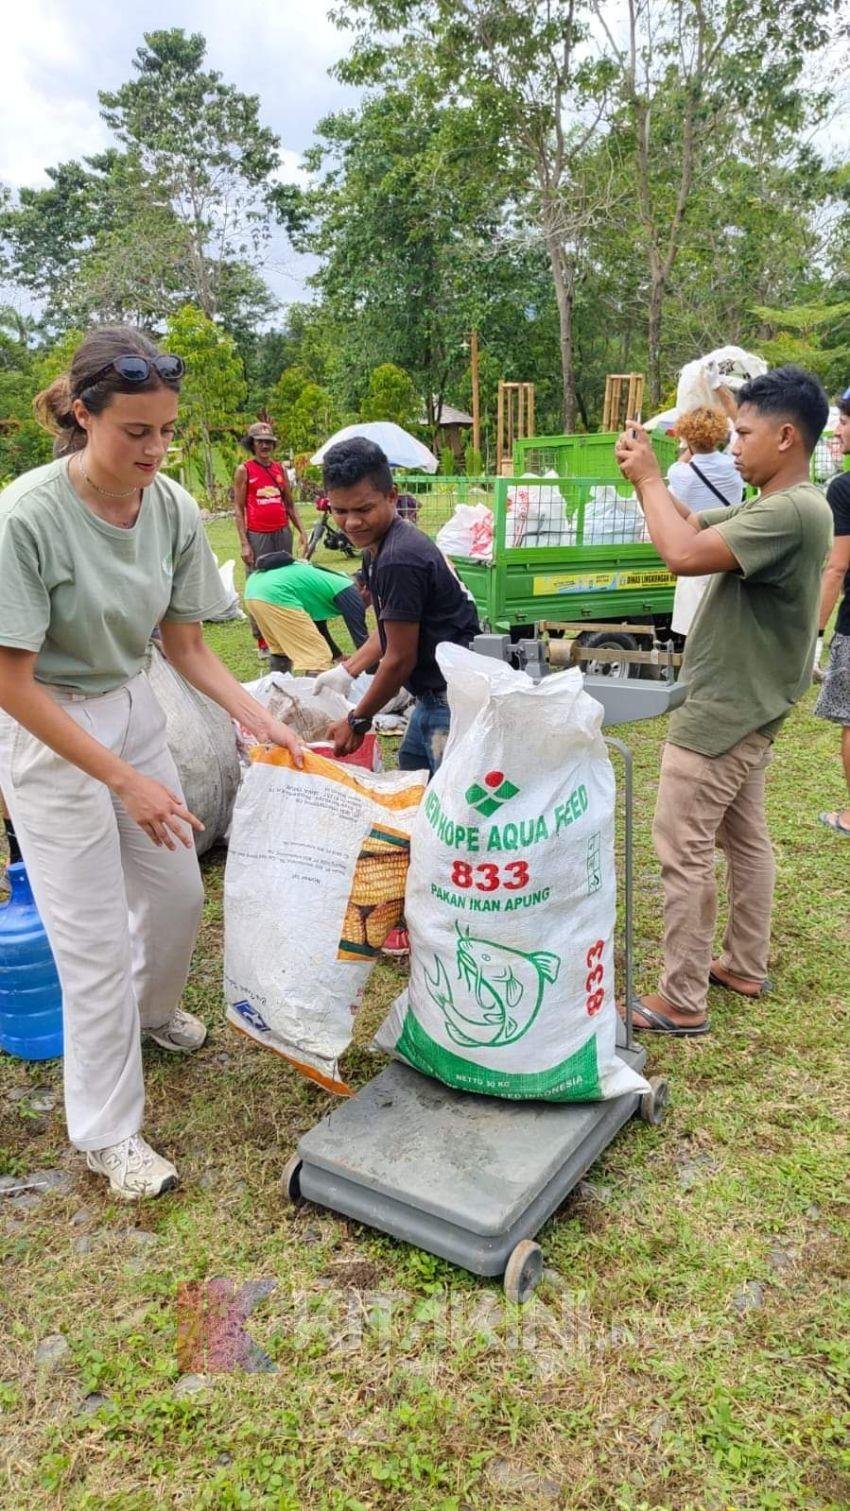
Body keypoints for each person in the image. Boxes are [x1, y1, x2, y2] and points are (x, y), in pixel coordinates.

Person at [0, 327, 302, 1200]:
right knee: (90, 941)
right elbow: (12, 685)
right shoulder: (27, 517)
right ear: (84, 415)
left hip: (134, 706)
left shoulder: (165, 504)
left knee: (177, 891)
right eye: (136, 431)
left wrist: (258, 717)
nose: (156, 448)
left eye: (166, 429)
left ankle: (153, 1013)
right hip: (48, 728)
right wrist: (122, 781)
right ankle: (106, 1133)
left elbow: (186, 647)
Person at [615, 365, 833, 1035]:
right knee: (744, 838)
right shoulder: (785, 503)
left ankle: (681, 997)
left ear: (786, 437)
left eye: (743, 433)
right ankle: (743, 961)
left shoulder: (791, 511)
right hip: (752, 701)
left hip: (726, 707)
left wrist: (651, 478)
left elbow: (679, 554)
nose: (732, 445)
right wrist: (653, 475)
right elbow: (690, 523)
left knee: (682, 846)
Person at [318, 439, 480, 953]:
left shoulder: (400, 559)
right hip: (435, 697)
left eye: (363, 508)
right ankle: (417, 910)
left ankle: (450, 916)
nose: (352, 521)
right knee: (411, 799)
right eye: (340, 511)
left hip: (444, 701)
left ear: (392, 495)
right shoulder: (383, 547)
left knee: (436, 811)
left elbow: (400, 659)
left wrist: (358, 719)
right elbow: (386, 637)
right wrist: (345, 672)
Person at [666, 407, 743, 636]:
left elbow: (682, 466)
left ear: (686, 436)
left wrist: (688, 448)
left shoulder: (680, 473)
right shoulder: (735, 467)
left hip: (697, 552)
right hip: (730, 548)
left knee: (695, 632)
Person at [814, 387, 850, 836]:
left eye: (844, 420)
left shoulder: (844, 488)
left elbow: (837, 565)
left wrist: (812, 633)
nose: (839, 429)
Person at [243, 551, 370, 674]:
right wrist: (373, 674)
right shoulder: (348, 589)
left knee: (281, 650)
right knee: (318, 655)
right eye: (373, 600)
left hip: (254, 589)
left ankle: (277, 690)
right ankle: (311, 695)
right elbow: (361, 639)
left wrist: (338, 656)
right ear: (365, 587)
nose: (370, 605)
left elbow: (319, 627)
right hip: (274, 593)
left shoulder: (328, 581)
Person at [233, 422, 307, 570]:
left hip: (283, 532)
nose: (265, 446)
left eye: (268, 442)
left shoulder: (280, 469)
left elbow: (290, 505)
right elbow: (239, 509)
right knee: (260, 576)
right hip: (258, 535)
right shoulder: (244, 470)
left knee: (285, 573)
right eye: (259, 441)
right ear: (252, 444)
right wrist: (245, 544)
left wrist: (303, 532)